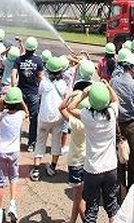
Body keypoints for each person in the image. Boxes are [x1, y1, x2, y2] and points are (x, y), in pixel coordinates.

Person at [68, 81, 120, 223]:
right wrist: (108, 86)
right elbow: (116, 100)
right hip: (110, 167)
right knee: (112, 205)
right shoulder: (111, 113)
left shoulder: (87, 116)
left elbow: (70, 108)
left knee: (91, 209)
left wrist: (84, 92)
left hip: (92, 168)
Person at [0, 86, 28, 223]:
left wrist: (0, 102)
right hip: (14, 152)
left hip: (1, 151)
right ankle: (12, 204)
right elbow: (27, 112)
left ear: (6, 103)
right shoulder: (20, 115)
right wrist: (22, 101)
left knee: (0, 182)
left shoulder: (2, 115)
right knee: (13, 178)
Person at [111, 52, 134, 201]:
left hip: (116, 124)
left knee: (119, 159)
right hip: (131, 125)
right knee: (133, 160)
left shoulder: (113, 82)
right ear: (131, 68)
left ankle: (120, 193)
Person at [30, 55, 68, 180]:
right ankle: (52, 167)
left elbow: (40, 93)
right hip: (58, 117)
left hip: (44, 117)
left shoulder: (44, 83)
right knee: (56, 142)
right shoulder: (63, 84)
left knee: (40, 141)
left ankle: (36, 170)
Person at [59, 91, 89, 223]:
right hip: (87, 161)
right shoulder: (93, 123)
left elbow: (61, 108)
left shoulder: (76, 123)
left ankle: (85, 220)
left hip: (75, 161)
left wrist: (70, 96)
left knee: (78, 196)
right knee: (81, 196)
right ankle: (73, 220)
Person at [11, 36, 44, 152]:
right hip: (33, 92)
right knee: (33, 118)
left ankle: (16, 141)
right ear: (35, 48)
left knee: (18, 116)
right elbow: (40, 77)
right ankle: (31, 143)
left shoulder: (18, 60)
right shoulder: (38, 60)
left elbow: (13, 74)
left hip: (20, 92)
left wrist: (14, 87)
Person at [0, 46, 21, 139]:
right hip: (12, 86)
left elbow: (1, 54)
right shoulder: (17, 63)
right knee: (13, 110)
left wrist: (8, 49)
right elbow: (22, 54)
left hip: (3, 85)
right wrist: (20, 44)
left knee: (0, 109)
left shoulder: (6, 61)